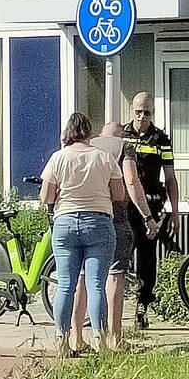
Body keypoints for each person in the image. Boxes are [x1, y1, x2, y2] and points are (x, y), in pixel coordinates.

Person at [40, 113, 125, 357]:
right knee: (96, 285)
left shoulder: (58, 158)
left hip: (65, 223)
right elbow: (118, 194)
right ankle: (101, 340)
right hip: (99, 222)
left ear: (68, 132)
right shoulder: (104, 157)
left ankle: (62, 341)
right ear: (90, 133)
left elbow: (47, 196)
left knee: (66, 285)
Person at [70, 123, 159, 351]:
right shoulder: (124, 148)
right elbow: (131, 182)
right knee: (114, 275)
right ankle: (113, 337)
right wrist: (147, 216)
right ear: (121, 136)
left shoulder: (83, 148)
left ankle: (76, 337)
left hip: (78, 219)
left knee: (82, 278)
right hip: (114, 219)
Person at [121, 92, 179, 330]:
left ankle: (142, 306)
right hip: (124, 208)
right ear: (131, 111)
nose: (142, 117)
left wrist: (175, 212)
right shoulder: (122, 136)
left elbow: (171, 177)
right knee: (120, 257)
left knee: (147, 260)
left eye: (147, 112)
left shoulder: (161, 139)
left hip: (151, 207)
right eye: (138, 112)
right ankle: (111, 307)